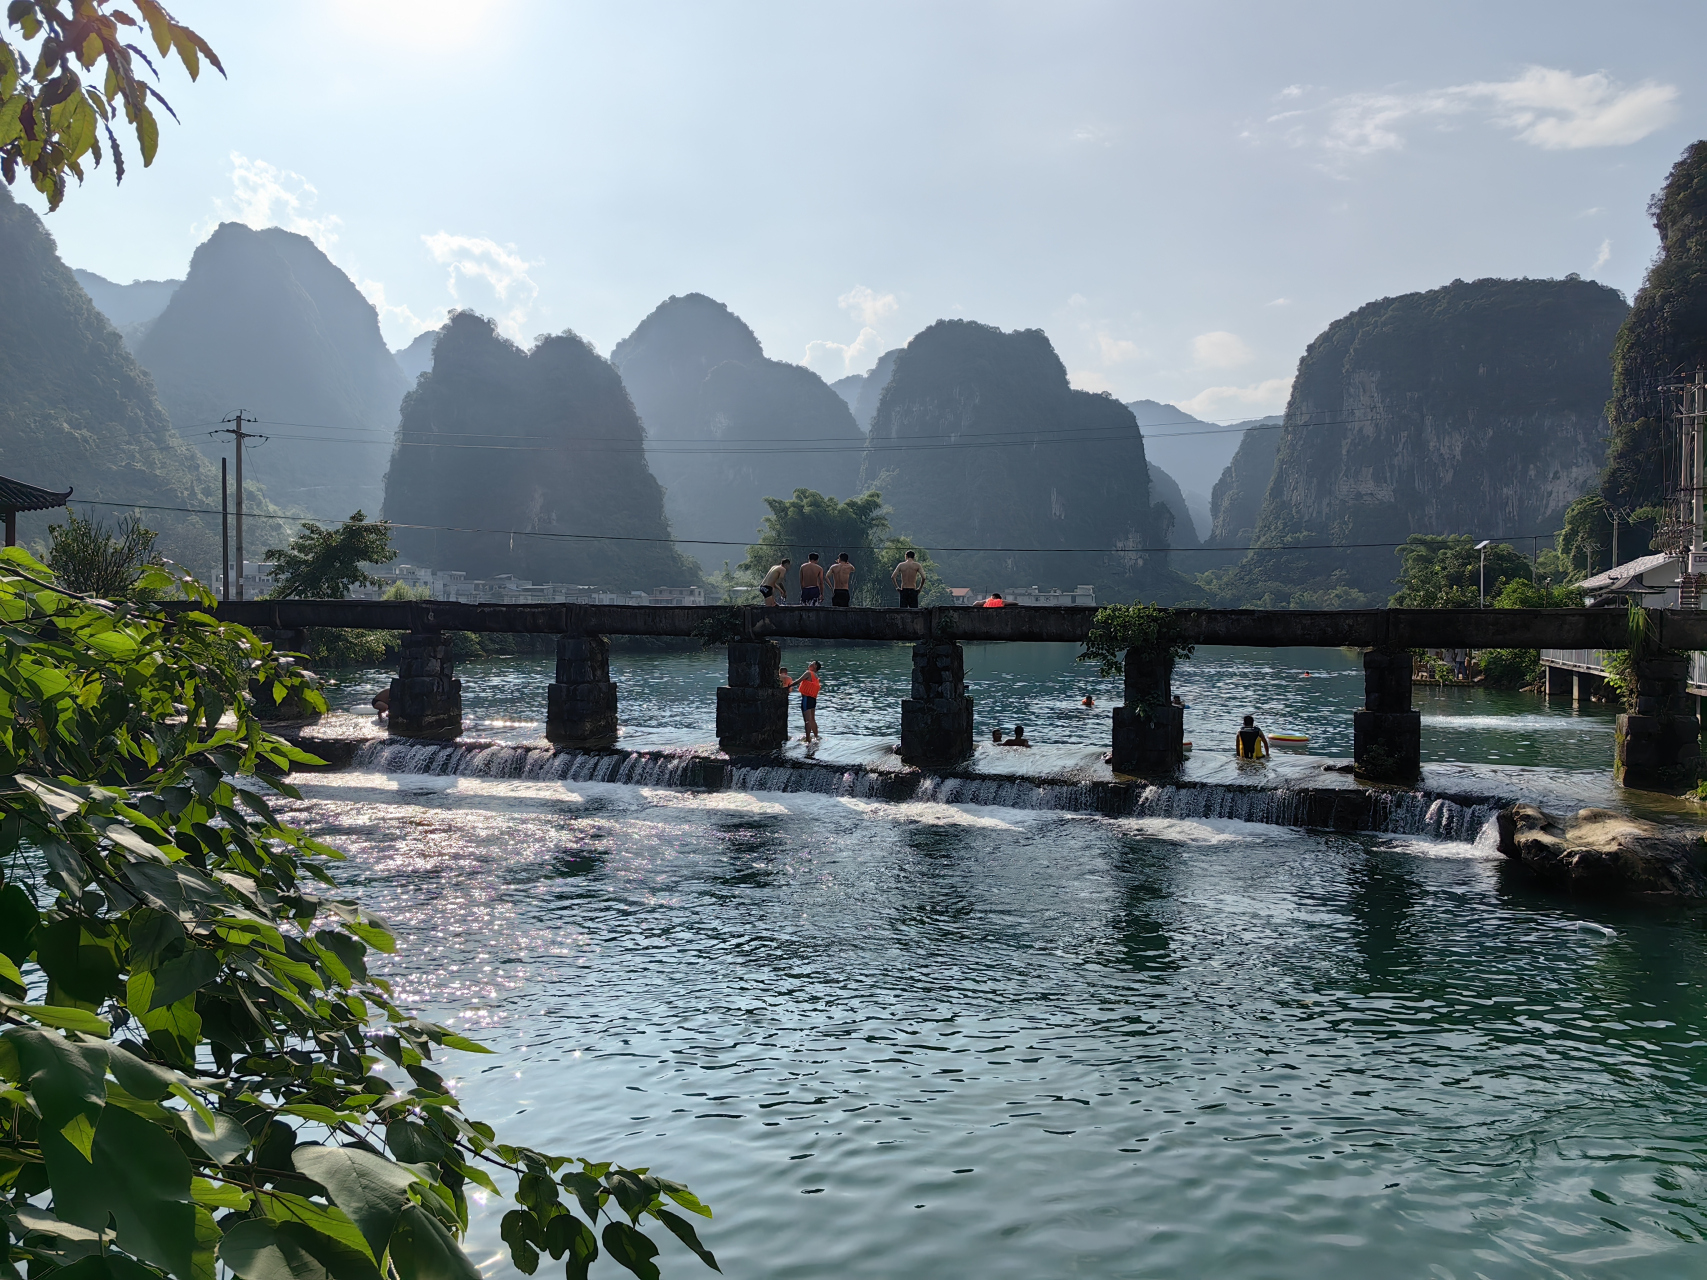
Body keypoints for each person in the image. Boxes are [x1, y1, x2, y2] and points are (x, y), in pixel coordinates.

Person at [797, 660, 822, 740]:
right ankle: (816, 736)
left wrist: (788, 686)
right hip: (813, 699)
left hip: (806, 698)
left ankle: (808, 739)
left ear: (814, 666)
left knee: (807, 720)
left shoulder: (808, 673)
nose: (810, 663)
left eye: (812, 663)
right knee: (812, 719)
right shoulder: (816, 676)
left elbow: (798, 681)